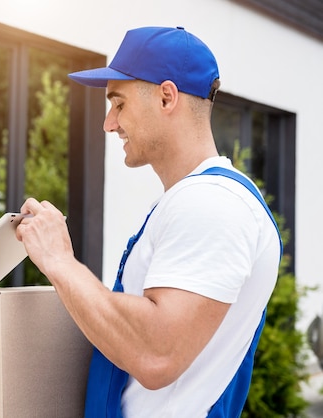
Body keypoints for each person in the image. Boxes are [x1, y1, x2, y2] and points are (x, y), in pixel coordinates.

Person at [15, 26, 282, 417]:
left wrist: (60, 262)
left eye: (118, 103)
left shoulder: (212, 205)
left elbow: (156, 354)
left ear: (166, 96)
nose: (109, 123)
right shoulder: (196, 200)